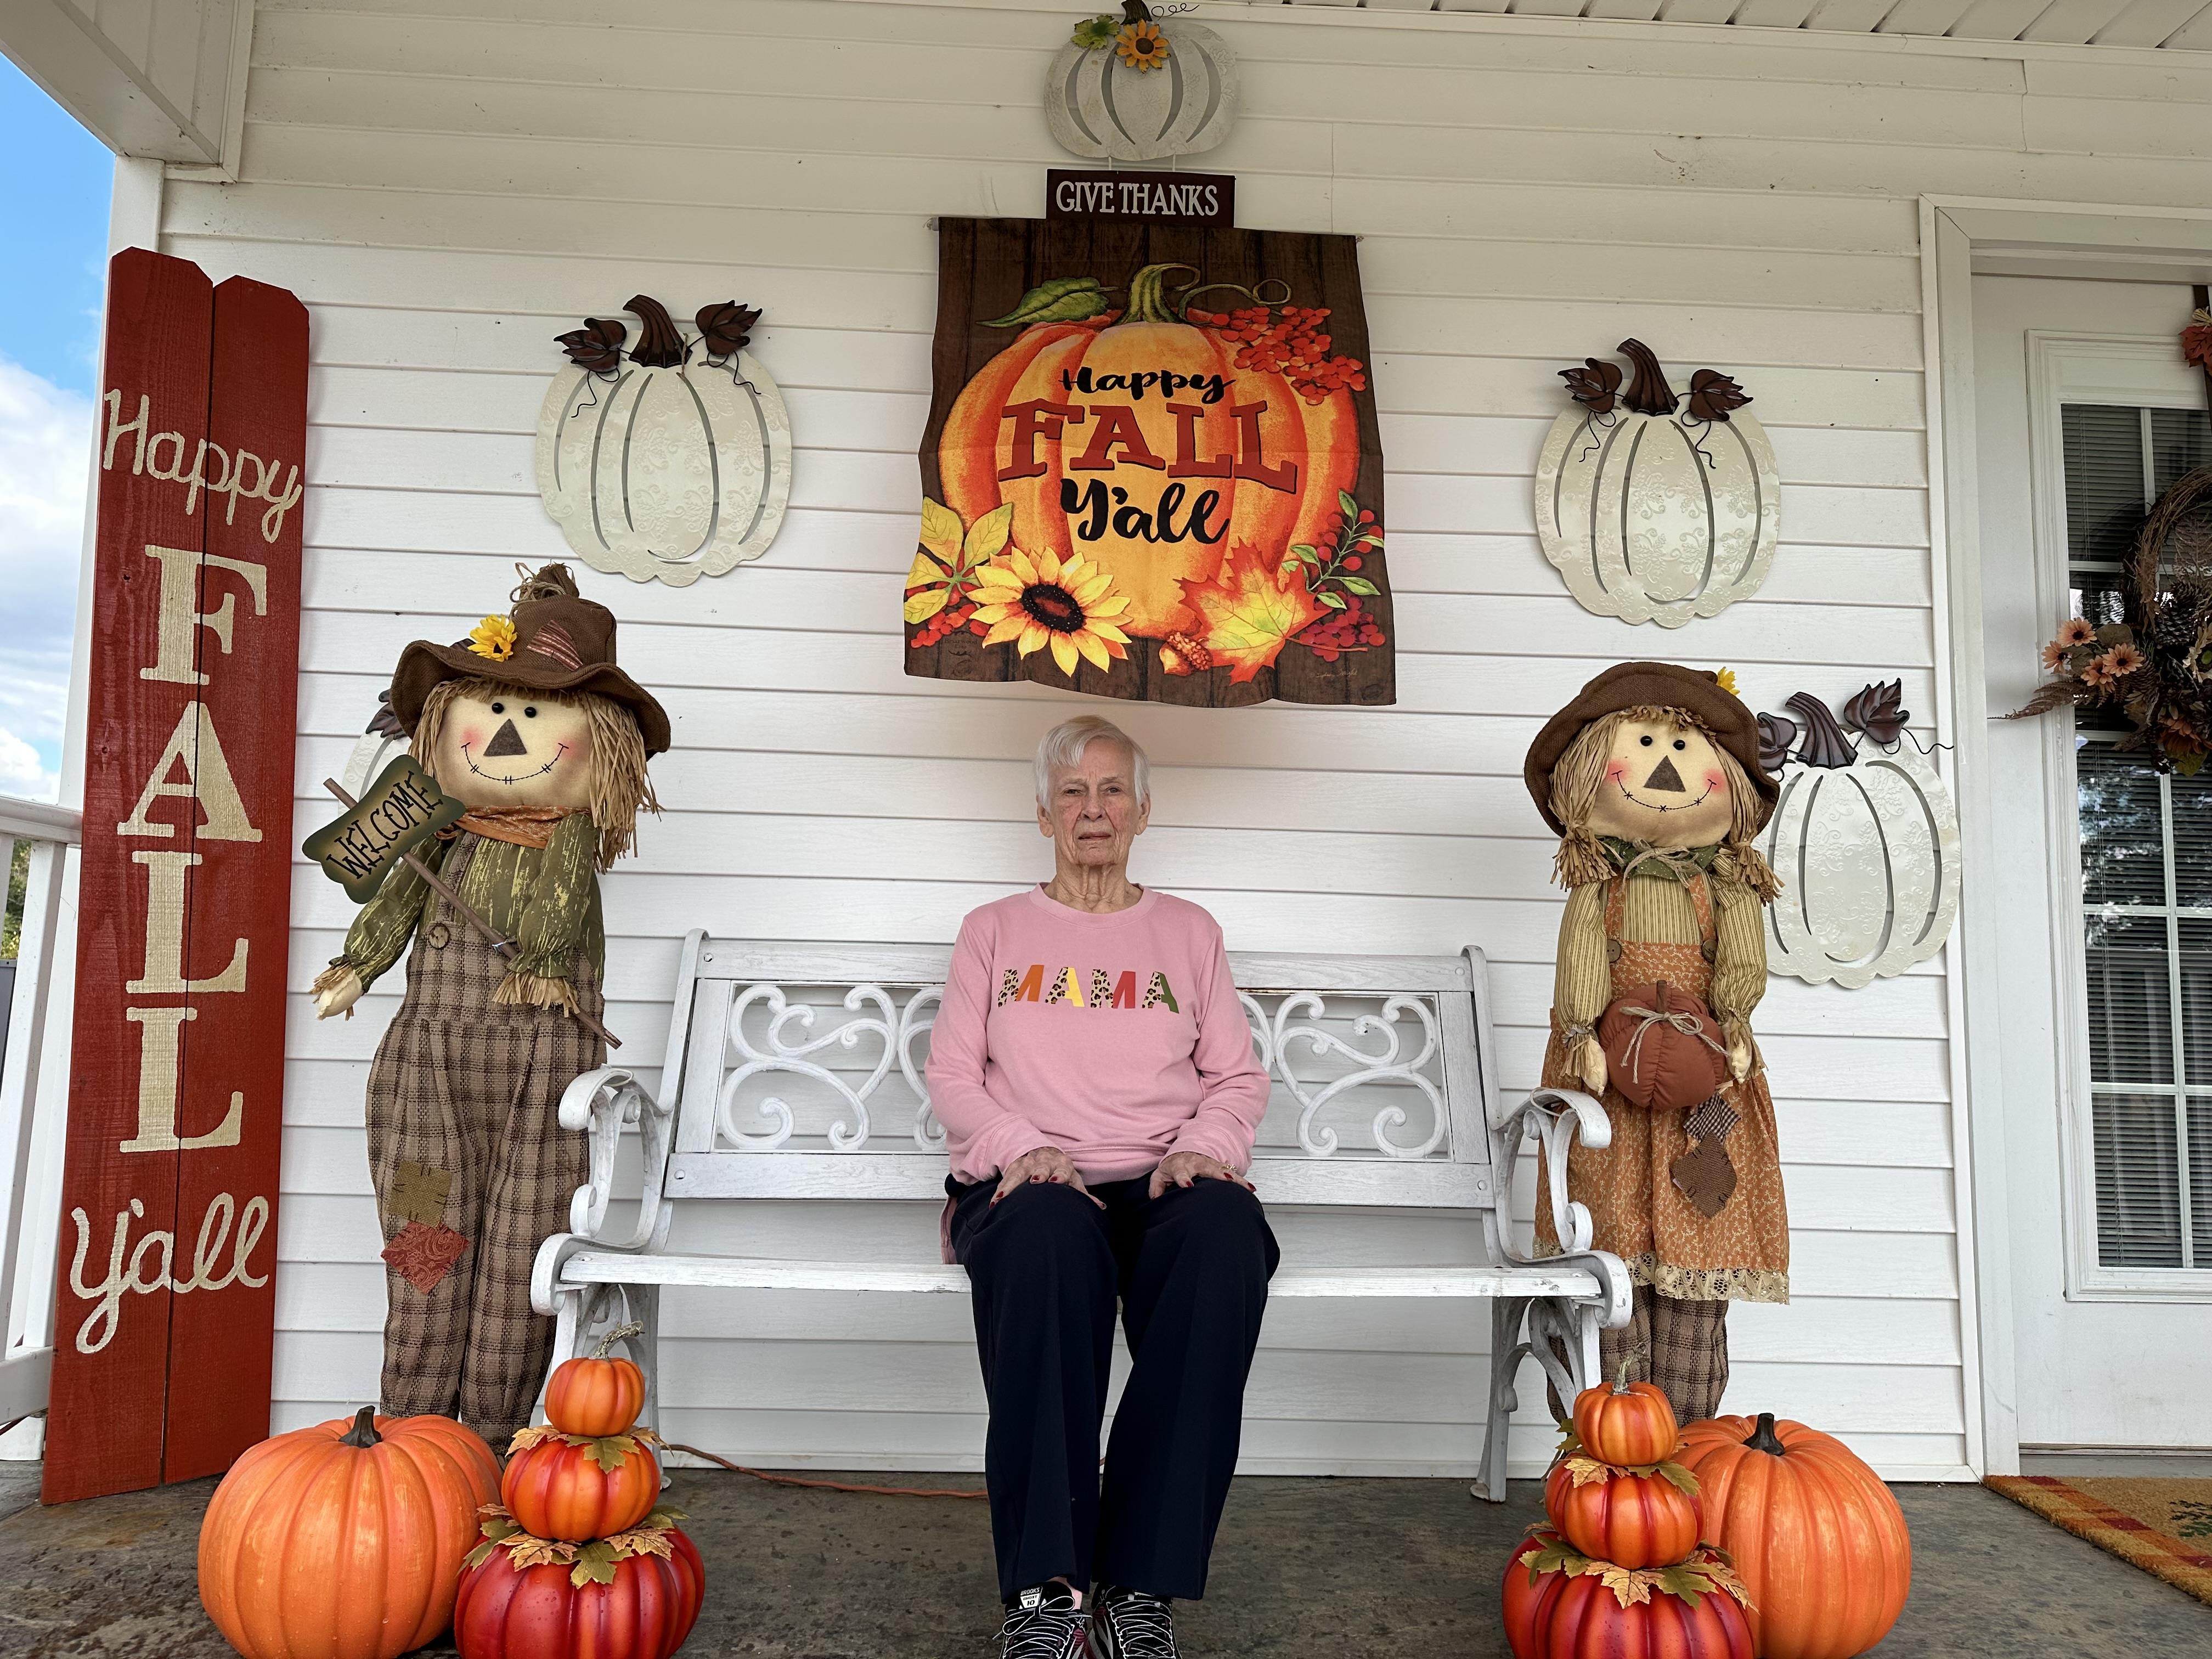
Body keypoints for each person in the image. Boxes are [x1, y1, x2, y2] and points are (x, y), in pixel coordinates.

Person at [928, 714, 1277, 1659]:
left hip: (1161, 1181)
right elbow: (954, 1077)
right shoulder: (992, 930)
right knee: (1044, 1239)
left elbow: (1238, 1080)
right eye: (1073, 792)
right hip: (1033, 1185)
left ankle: (1138, 1585)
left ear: (1143, 810)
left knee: (1224, 1241)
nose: (1093, 809)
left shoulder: (1189, 932)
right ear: (1043, 813)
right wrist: (1020, 1146)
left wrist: (1203, 1148)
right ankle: (1047, 1592)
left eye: (1112, 790)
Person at [1523, 662, 1790, 1423]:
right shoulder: (1597, 888)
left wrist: (1734, 1021)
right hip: (1607, 1075)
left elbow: (1740, 965)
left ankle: (1688, 1435)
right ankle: (1607, 1436)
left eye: (1681, 745)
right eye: (1641, 742)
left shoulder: (1728, 888)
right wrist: (1582, 1033)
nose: (1665, 765)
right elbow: (1580, 973)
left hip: (1706, 1084)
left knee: (1698, 1228)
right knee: (1608, 1244)